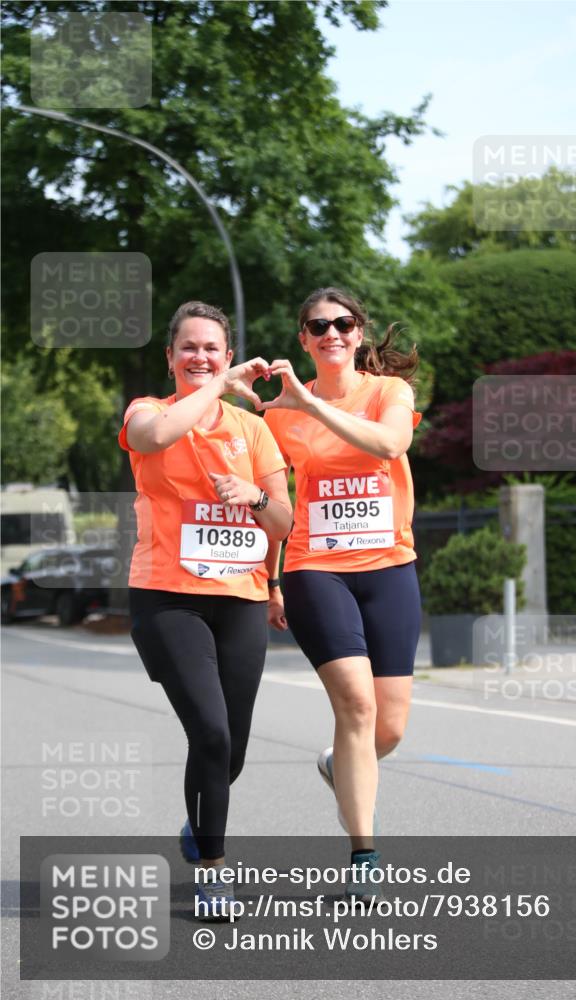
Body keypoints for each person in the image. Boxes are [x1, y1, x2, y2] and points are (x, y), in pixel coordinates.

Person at [119, 301, 292, 919]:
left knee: (231, 747)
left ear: (226, 352)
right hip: (168, 597)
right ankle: (213, 872)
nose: (200, 356)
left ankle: (198, 822)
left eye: (212, 349)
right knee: (211, 732)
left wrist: (253, 497)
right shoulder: (149, 411)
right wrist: (216, 386)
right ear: (171, 358)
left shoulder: (253, 430)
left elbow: (284, 520)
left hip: (240, 597)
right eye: (188, 348)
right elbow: (154, 438)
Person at [261, 286, 421, 900]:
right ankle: (364, 853)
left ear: (359, 332)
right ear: (303, 338)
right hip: (314, 569)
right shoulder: (279, 412)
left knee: (391, 726)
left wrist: (309, 404)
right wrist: (273, 578)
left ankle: (337, 764)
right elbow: (278, 501)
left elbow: (388, 445)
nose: (331, 333)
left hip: (389, 567)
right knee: (356, 705)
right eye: (317, 325)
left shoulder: (389, 393)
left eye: (343, 323)